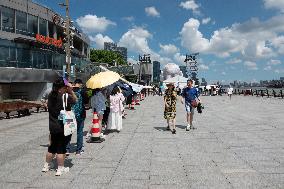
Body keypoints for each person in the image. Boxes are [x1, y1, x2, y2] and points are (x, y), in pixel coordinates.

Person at [42, 77, 77, 176]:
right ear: (62, 87)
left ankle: (46, 166)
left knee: (52, 147)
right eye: (65, 86)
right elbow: (75, 101)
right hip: (62, 126)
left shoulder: (50, 96)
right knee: (61, 148)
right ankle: (60, 168)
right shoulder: (65, 96)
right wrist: (71, 90)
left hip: (52, 125)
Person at [68, 79, 89, 155]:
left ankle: (67, 149)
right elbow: (86, 102)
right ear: (80, 84)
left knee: (69, 131)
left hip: (69, 114)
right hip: (80, 114)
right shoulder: (83, 92)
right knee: (79, 131)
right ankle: (78, 150)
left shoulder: (69, 91)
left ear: (74, 83)